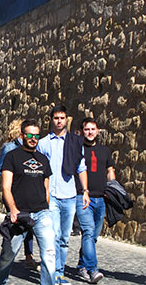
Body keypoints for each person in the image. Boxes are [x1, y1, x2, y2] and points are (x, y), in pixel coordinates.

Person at [0, 119, 56, 285]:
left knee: (49, 253)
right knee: (8, 255)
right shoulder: (12, 157)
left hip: (42, 213)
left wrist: (46, 207)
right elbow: (6, 187)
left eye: (36, 135)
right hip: (19, 213)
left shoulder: (43, 159)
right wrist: (13, 209)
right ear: (22, 135)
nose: (33, 138)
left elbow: (46, 188)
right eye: (29, 135)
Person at [37, 105, 90, 285]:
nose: (59, 121)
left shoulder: (75, 142)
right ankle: (52, 272)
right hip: (51, 196)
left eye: (62, 118)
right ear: (51, 120)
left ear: (66, 119)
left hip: (69, 195)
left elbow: (81, 168)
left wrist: (85, 191)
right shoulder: (43, 143)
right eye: (56, 118)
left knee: (65, 238)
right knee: (54, 235)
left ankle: (60, 271)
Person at [0, 118, 38, 269]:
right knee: (12, 222)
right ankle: (6, 251)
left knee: (29, 224)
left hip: (28, 190)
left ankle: (29, 257)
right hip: (12, 192)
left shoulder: (34, 148)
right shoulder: (9, 148)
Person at [75, 118, 115, 284]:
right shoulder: (78, 149)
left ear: (97, 131)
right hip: (83, 197)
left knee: (93, 237)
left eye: (93, 129)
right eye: (87, 129)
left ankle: (82, 265)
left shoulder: (104, 150)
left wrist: (112, 190)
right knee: (88, 232)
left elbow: (110, 170)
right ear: (82, 131)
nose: (90, 132)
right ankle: (92, 270)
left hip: (101, 199)